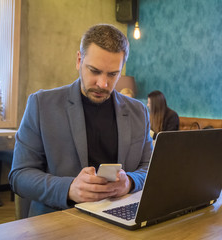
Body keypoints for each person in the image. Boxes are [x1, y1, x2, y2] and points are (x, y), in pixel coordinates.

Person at [9, 24, 153, 217]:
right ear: (79, 60)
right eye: (94, 71)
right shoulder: (41, 105)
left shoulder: (139, 112)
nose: (103, 84)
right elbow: (19, 175)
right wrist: (69, 189)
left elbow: (149, 169)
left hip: (120, 219)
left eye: (112, 74)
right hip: (58, 220)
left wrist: (130, 182)